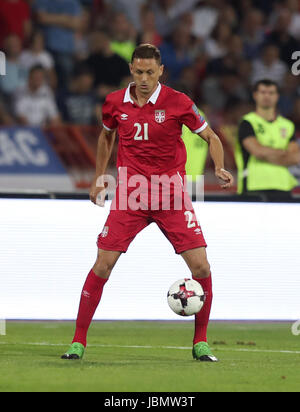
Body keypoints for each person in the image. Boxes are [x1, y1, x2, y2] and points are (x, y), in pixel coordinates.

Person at [61, 44, 234, 362]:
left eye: (150, 73)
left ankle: (201, 342)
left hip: (171, 194)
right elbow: (105, 136)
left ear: (161, 71)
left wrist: (219, 166)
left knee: (201, 266)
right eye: (139, 72)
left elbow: (211, 136)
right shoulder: (114, 102)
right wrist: (100, 176)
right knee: (102, 264)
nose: (144, 79)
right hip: (131, 194)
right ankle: (78, 342)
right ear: (131, 69)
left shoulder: (179, 102)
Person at [236, 79, 300, 201]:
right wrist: (283, 152)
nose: (267, 96)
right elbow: (257, 151)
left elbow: (296, 157)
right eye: (263, 92)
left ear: (277, 96)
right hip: (253, 185)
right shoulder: (247, 122)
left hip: (283, 185)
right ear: (255, 95)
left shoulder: (287, 125)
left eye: (271, 93)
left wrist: (266, 154)